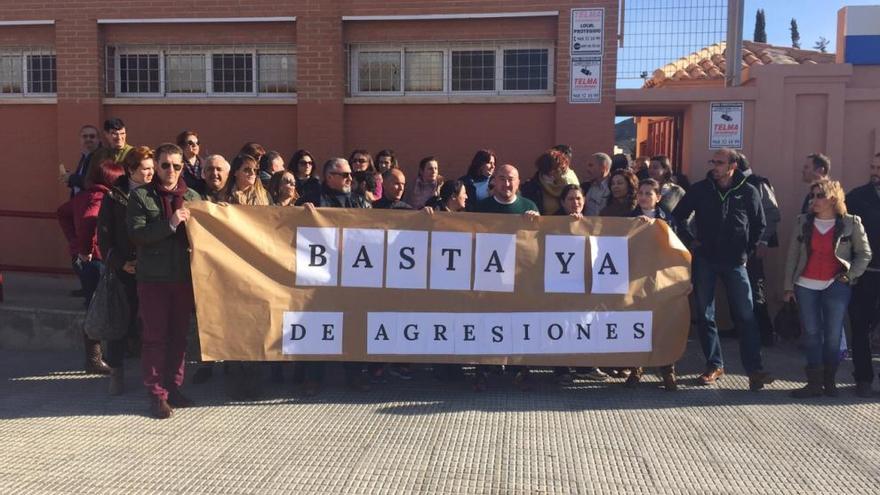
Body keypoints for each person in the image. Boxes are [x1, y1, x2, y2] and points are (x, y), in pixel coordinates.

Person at [672, 148, 773, 391]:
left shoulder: (748, 190)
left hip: (735, 262)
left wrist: (745, 252)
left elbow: (760, 225)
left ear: (732, 166)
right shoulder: (700, 189)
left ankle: (754, 370)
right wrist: (691, 241)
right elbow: (678, 215)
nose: (714, 166)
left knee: (746, 316)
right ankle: (713, 365)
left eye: (720, 162)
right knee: (705, 314)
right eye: (713, 161)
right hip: (705, 259)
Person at [126, 142, 202, 419]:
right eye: (165, 165)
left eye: (177, 165)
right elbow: (137, 234)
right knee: (155, 337)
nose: (171, 170)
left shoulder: (192, 195)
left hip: (183, 277)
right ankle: (157, 394)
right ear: (156, 166)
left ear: (183, 167)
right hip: (153, 279)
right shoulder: (141, 197)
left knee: (179, 337)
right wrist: (170, 224)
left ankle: (174, 387)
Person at [783, 179, 872, 398]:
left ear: (833, 199)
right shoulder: (803, 221)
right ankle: (814, 383)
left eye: (819, 196)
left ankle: (829, 381)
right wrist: (788, 286)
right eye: (812, 196)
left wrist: (850, 275)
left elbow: (864, 254)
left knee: (833, 334)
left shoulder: (851, 222)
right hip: (805, 284)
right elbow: (792, 255)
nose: (814, 201)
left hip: (836, 284)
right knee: (812, 333)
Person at [295, 158, 371, 396]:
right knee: (319, 325)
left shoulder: (359, 200)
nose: (351, 178)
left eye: (351, 174)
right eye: (345, 174)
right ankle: (313, 378)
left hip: (353, 276)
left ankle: (354, 376)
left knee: (354, 326)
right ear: (329, 177)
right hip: (321, 277)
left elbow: (379, 224)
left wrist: (421, 216)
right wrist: (301, 213)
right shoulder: (313, 199)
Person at [472, 163, 539, 391]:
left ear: (518, 182)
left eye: (511, 179)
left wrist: (536, 222)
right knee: (487, 322)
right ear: (494, 181)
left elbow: (539, 242)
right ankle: (483, 369)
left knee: (517, 323)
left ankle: (519, 369)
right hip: (488, 279)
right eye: (501, 178)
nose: (506, 183)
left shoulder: (529, 207)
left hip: (520, 279)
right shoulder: (481, 208)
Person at [58, 159, 125, 376]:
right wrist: (85, 247)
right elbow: (88, 221)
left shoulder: (84, 196)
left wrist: (74, 242)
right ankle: (94, 359)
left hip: (85, 260)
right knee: (98, 307)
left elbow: (62, 212)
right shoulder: (102, 198)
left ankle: (96, 357)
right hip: (95, 260)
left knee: (93, 304)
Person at [97, 146, 155, 395]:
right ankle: (117, 372)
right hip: (124, 269)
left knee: (151, 322)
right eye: (145, 169)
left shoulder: (156, 193)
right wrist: (119, 262)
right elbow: (104, 235)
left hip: (153, 267)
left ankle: (152, 373)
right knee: (120, 321)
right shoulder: (115, 196)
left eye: (153, 168)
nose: (151, 173)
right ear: (131, 170)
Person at [624, 179, 680, 391]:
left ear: (658, 197)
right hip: (636, 279)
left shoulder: (669, 220)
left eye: (649, 193)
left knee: (662, 325)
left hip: (661, 279)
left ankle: (667, 370)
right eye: (641, 193)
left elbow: (678, 251)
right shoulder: (628, 219)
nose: (644, 197)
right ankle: (636, 369)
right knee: (638, 325)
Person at [737, 152, 781, 346]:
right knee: (737, 290)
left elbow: (773, 213)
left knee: (755, 289)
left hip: (753, 246)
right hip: (735, 246)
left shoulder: (758, 183)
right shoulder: (730, 185)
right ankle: (741, 329)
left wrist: (763, 241)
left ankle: (765, 333)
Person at [845, 152, 880, 397]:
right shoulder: (857, 197)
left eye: (879, 167)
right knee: (859, 325)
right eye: (873, 167)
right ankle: (864, 378)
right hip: (865, 273)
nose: (875, 172)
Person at [520, 149, 580, 215]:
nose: (564, 173)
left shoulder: (566, 185)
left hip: (563, 223)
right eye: (561, 169)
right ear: (552, 171)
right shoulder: (531, 188)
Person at [59, 124, 102, 198]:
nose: (88, 139)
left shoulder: (101, 156)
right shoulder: (85, 155)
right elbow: (81, 181)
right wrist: (68, 179)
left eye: (92, 136)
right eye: (85, 136)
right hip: (80, 202)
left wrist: (71, 178)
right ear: (80, 139)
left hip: (91, 202)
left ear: (98, 139)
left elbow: (92, 182)